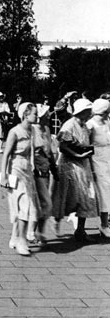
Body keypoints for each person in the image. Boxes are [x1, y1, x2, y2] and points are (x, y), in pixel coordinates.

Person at [52, 98, 97, 243]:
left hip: (83, 165)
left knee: (85, 196)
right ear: (82, 111)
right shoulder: (69, 125)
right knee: (65, 196)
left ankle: (80, 230)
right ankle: (57, 220)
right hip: (69, 165)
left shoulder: (84, 126)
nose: (90, 113)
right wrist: (78, 154)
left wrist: (86, 157)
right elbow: (62, 146)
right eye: (88, 111)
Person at [0, 102, 40, 256]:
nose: (37, 116)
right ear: (25, 114)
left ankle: (15, 237)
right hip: (15, 169)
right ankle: (22, 241)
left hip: (27, 170)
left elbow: (32, 152)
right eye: (34, 113)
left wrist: (33, 167)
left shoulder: (32, 130)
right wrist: (3, 175)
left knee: (23, 205)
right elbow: (6, 154)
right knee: (25, 205)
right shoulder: (14, 132)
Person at [27, 104, 58, 244]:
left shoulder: (46, 129)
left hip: (46, 170)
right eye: (46, 114)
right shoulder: (31, 130)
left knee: (43, 203)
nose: (48, 116)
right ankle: (31, 232)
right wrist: (33, 167)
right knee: (43, 203)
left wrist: (54, 167)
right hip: (35, 171)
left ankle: (39, 232)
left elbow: (50, 151)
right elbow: (29, 151)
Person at [87, 98, 110, 239]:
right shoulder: (91, 125)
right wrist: (91, 167)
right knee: (103, 191)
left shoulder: (107, 123)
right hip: (97, 160)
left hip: (108, 157)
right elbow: (86, 145)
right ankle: (104, 224)